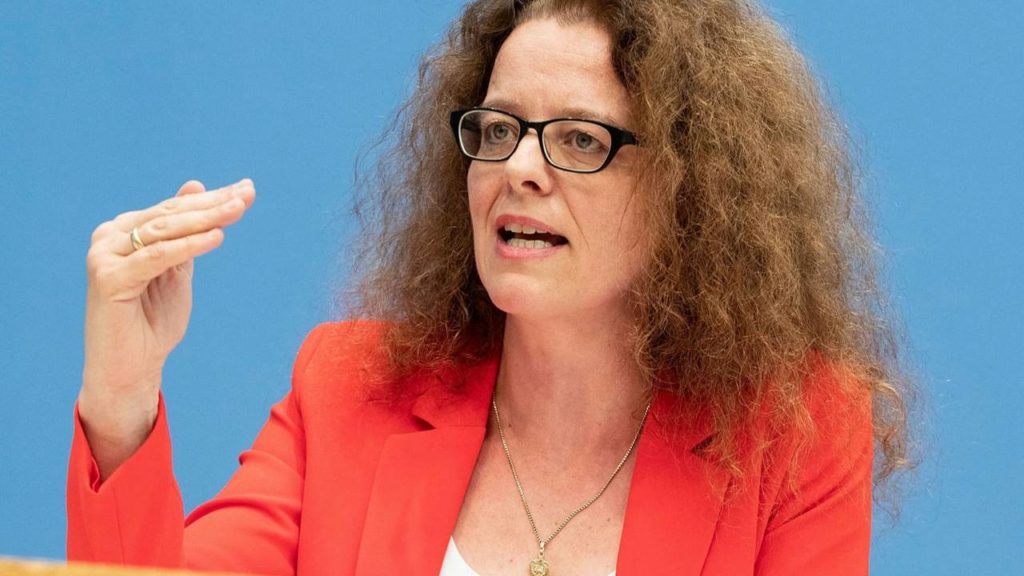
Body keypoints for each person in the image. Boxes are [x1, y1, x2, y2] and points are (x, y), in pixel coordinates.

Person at [68, 0, 913, 574]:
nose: (519, 169)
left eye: (579, 139)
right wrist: (121, 397)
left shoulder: (794, 433)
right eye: (500, 129)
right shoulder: (348, 387)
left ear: (693, 187)